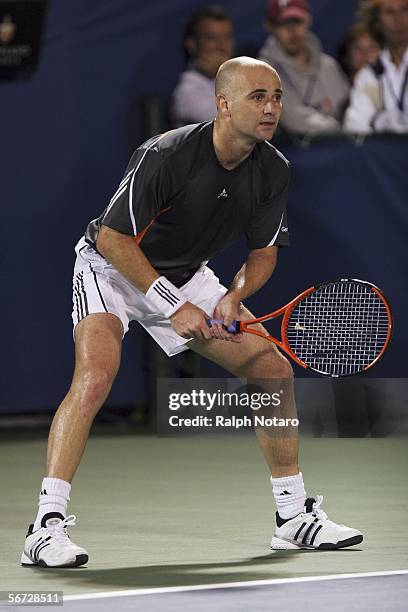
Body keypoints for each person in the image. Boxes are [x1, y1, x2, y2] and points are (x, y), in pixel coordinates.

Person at [21, 57, 363, 568]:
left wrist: (231, 296)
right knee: (95, 375)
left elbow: (263, 252)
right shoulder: (168, 154)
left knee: (271, 368)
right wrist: (169, 304)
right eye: (257, 97)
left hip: (187, 275)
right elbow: (115, 240)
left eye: (276, 97)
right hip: (111, 269)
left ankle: (293, 518)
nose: (271, 107)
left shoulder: (272, 168)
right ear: (223, 104)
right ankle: (45, 528)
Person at [258, 0, 350, 134]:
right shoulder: (263, 71)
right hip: (294, 153)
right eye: (283, 23)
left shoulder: (329, 66)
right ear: (270, 26)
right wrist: (342, 133)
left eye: (297, 21)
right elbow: (294, 121)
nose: (292, 31)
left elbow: (349, 109)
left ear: (308, 20)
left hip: (341, 149)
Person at [344, 0, 408, 133]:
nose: (398, 18)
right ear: (377, 20)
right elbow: (355, 129)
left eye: (405, 9)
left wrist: (376, 121)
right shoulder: (368, 75)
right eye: (389, 11)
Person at [171, 4, 234, 125]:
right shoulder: (188, 93)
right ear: (192, 45)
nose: (222, 46)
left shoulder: (228, 80)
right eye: (211, 38)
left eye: (227, 37)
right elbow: (239, 120)